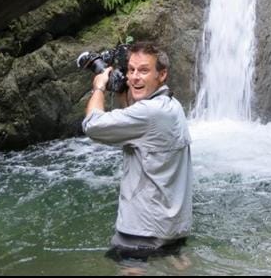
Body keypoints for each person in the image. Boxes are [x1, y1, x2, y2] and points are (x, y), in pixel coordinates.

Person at [82, 42, 193, 261]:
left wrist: (99, 86)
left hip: (141, 231)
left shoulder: (148, 113)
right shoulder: (171, 105)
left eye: (143, 70)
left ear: (162, 74)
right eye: (131, 70)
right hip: (171, 227)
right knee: (177, 266)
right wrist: (125, 98)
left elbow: (92, 126)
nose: (134, 77)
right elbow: (138, 125)